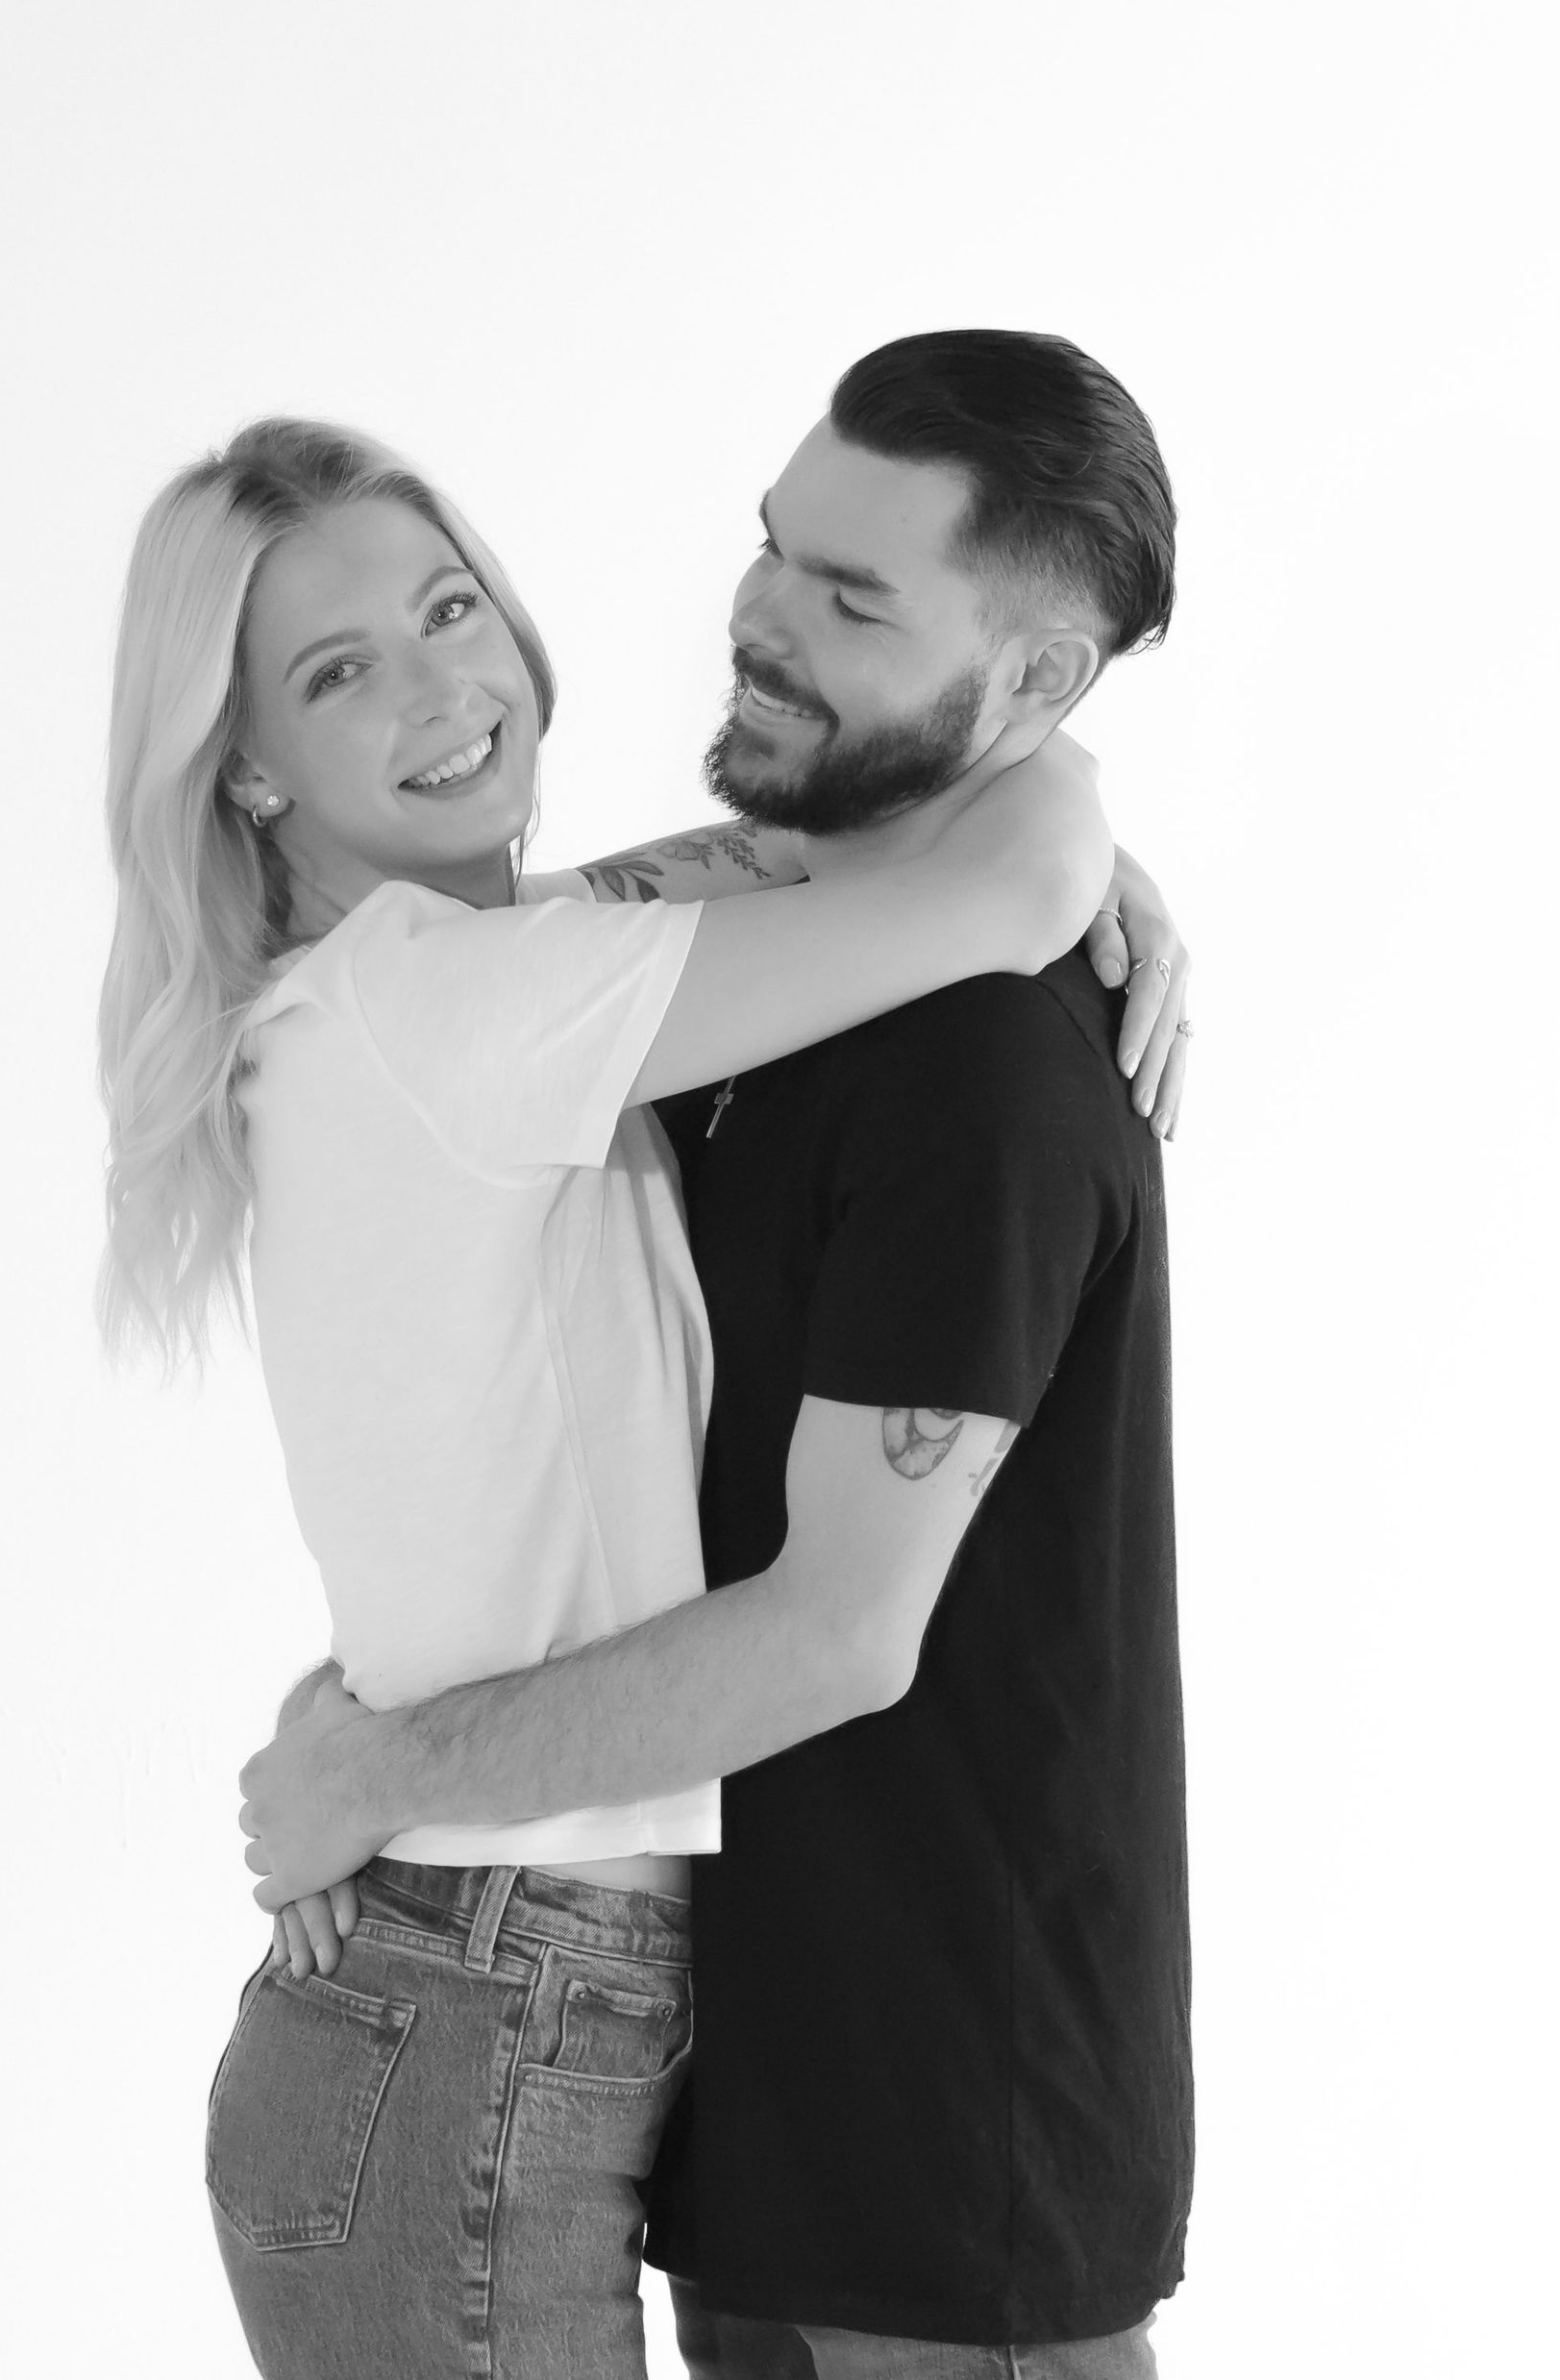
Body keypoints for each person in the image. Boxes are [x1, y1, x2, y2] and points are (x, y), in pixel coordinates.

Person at [236, 331, 1192, 2376]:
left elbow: (845, 1631)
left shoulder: (978, 1072)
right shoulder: (688, 1014)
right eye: (778, 548)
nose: (759, 617)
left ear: (1027, 687)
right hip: (729, 2093)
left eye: (854, 600)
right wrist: (1053, 838)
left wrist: (378, 1773)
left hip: (956, 2137)